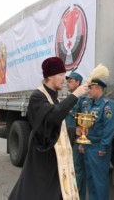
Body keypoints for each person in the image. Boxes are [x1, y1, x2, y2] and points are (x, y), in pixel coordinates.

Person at [8, 57, 88, 200]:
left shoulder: (54, 97)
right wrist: (75, 95)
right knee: (36, 192)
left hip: (53, 157)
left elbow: (56, 128)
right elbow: (52, 119)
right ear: (50, 76)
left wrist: (74, 132)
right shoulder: (37, 96)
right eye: (61, 75)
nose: (63, 79)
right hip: (42, 156)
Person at [82, 78, 114, 200]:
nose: (88, 90)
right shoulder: (89, 103)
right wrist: (82, 143)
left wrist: (103, 147)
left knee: (100, 180)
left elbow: (109, 129)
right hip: (87, 146)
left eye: (91, 88)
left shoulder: (107, 105)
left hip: (98, 148)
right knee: (90, 179)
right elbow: (84, 125)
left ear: (98, 88)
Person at [65, 72, 89, 200]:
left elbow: (84, 123)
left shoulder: (83, 100)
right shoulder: (71, 99)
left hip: (76, 140)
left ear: (78, 83)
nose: (67, 82)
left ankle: (79, 197)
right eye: (67, 80)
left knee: (78, 171)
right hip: (68, 138)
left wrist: (81, 143)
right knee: (70, 169)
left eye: (70, 81)